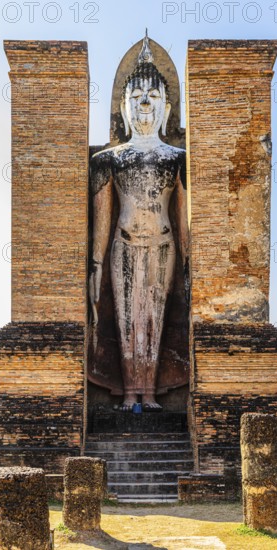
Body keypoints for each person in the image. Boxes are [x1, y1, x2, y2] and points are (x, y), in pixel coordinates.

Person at [89, 33, 189, 411]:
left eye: (153, 96)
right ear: (123, 107)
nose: (144, 103)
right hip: (123, 244)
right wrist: (96, 265)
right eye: (136, 97)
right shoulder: (108, 160)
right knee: (129, 324)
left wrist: (190, 264)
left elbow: (184, 219)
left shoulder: (176, 158)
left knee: (155, 320)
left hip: (163, 244)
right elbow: (102, 219)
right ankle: (131, 393)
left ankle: (149, 394)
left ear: (165, 107)